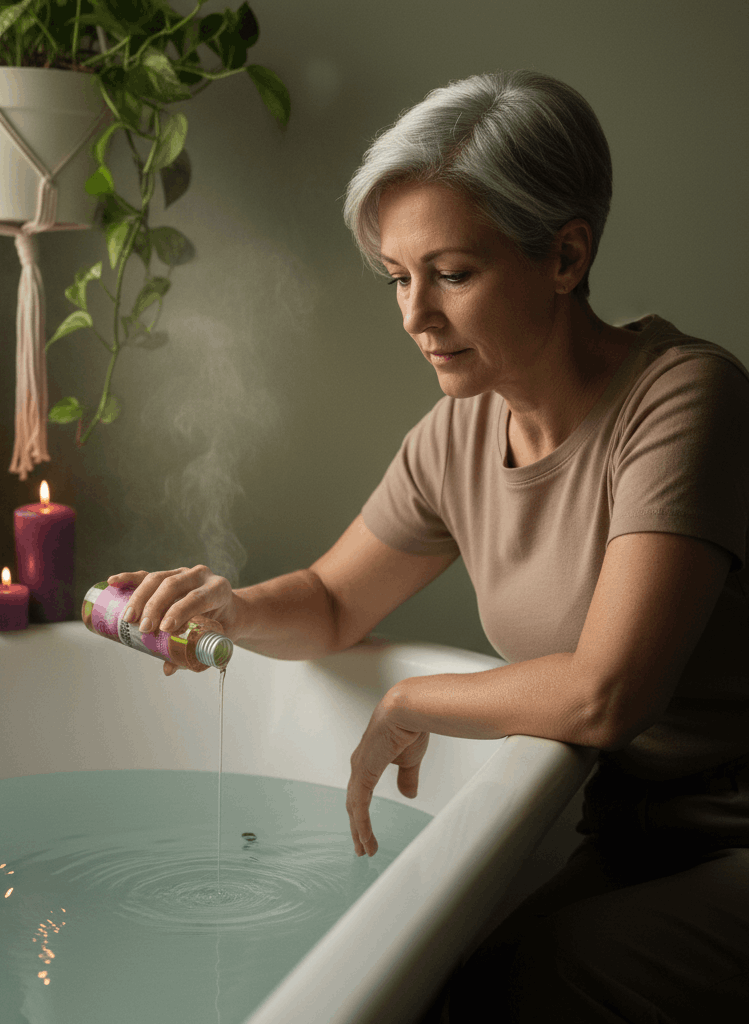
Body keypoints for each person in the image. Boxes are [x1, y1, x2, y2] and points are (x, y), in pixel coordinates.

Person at [108, 70, 749, 1022]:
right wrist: (231, 610)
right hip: (630, 836)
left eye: (452, 273)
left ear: (566, 255)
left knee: (491, 992)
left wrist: (415, 699)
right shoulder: (457, 434)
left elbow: (608, 693)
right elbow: (331, 600)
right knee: (428, 980)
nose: (415, 316)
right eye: (400, 278)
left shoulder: (686, 400)